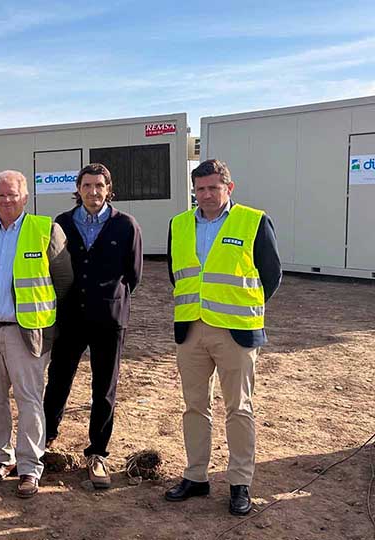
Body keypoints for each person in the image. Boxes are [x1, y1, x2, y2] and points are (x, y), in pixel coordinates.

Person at [164, 159, 281, 515]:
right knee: (194, 407)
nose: (206, 195)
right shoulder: (179, 224)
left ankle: (239, 482)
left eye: (213, 187)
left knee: (239, 408)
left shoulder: (253, 221)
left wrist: (238, 307)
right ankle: (196, 476)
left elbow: (271, 275)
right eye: (199, 189)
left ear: (229, 188)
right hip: (191, 328)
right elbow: (177, 274)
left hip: (236, 332)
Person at [0, 170, 73, 498]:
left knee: (29, 400)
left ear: (25, 197)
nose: (6, 201)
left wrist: (46, 323)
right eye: (0, 195)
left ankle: (29, 467)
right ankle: (0, 458)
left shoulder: (46, 230)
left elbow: (64, 280)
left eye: (12, 195)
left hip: (26, 333)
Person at [42, 163, 142, 489]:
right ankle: (44, 440)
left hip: (108, 320)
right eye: (87, 185)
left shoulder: (126, 226)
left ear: (109, 189)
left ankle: (97, 452)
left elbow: (133, 275)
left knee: (104, 388)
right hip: (70, 317)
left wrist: (109, 298)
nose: (93, 192)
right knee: (58, 381)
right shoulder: (62, 223)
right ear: (78, 188)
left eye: (100, 186)